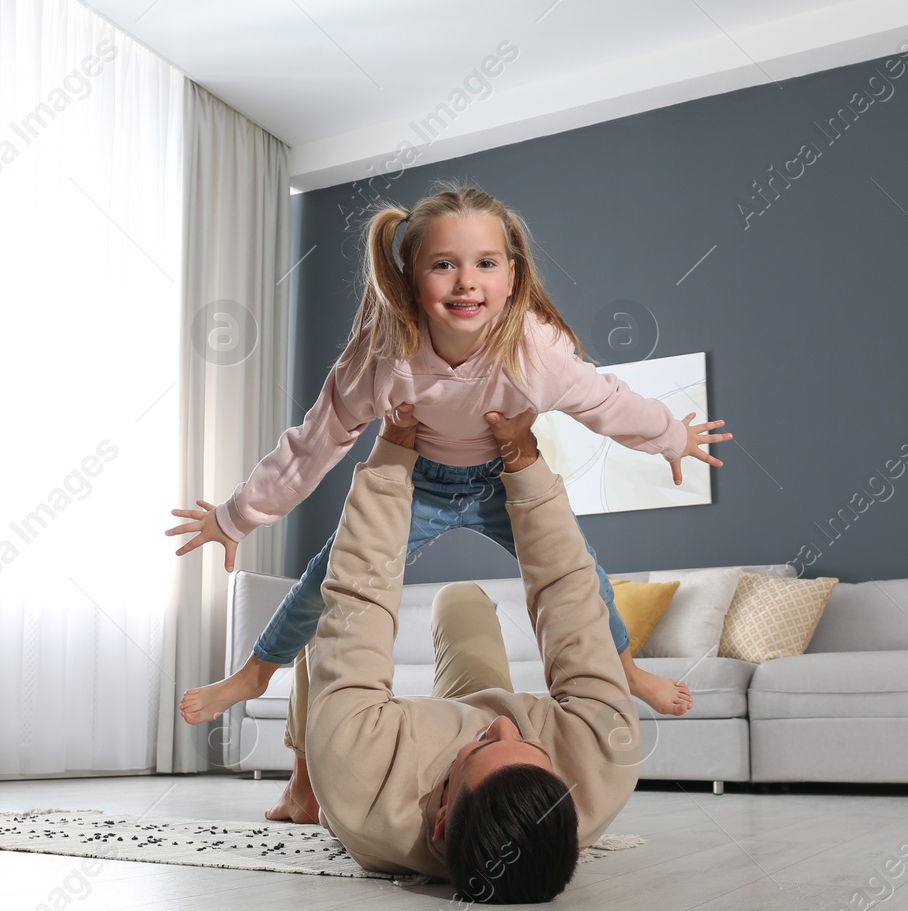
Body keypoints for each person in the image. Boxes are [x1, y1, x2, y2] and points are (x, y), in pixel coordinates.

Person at [166, 183, 733, 737]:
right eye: (443, 265)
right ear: (410, 279)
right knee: (330, 573)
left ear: (512, 276)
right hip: (419, 485)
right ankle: (256, 673)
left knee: (578, 576)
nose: (467, 281)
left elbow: (608, 403)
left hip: (503, 483)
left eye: (486, 263)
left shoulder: (537, 352)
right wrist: (237, 516)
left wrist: (671, 438)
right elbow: (317, 440)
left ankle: (628, 671)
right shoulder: (384, 353)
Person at [291, 404, 639, 902]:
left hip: (381, 747)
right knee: (460, 596)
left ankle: (301, 787)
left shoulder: (360, 778)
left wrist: (393, 455)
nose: (502, 724)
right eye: (532, 746)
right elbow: (570, 596)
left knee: (324, 634)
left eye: (484, 746)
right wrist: (524, 460)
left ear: (442, 820)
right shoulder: (601, 763)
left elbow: (359, 594)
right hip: (458, 723)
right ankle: (503, 751)